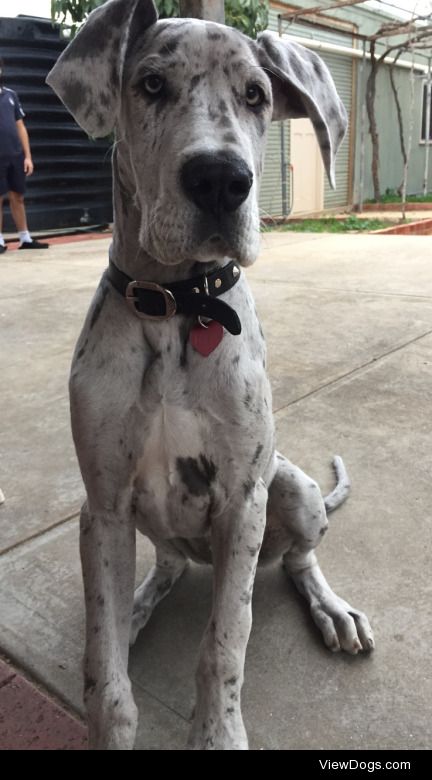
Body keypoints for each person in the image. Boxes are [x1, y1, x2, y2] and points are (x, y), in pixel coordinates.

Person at [0, 58, 49, 253]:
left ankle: (25, 238)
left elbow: (20, 127)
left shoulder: (11, 95)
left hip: (15, 155)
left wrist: (27, 156)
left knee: (18, 196)